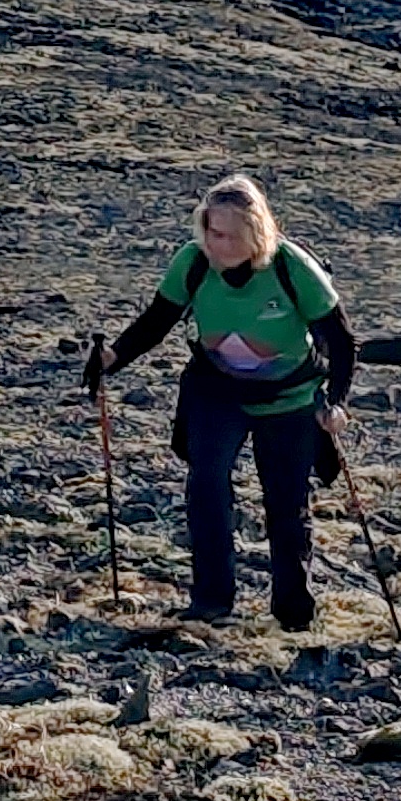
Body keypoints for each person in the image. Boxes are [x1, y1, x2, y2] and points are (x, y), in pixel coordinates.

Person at [88, 172, 357, 630]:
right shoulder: (192, 263)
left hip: (289, 399)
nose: (219, 244)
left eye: (231, 235)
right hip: (216, 392)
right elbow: (158, 320)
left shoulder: (292, 267)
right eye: (213, 232)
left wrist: (336, 402)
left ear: (256, 232)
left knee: (286, 504)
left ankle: (293, 613)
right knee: (206, 487)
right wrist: (111, 357)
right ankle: (211, 602)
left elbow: (342, 341)